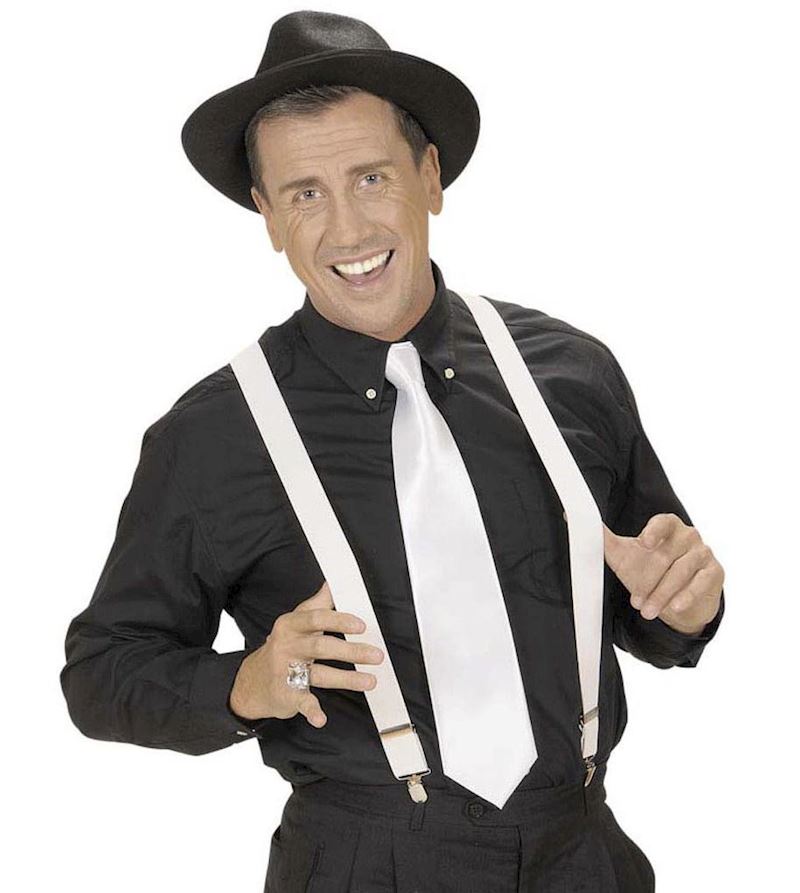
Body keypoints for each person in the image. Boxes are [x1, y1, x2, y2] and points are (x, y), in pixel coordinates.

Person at [60, 10, 725, 892]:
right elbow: (102, 671)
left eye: (370, 177)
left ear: (430, 176)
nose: (346, 229)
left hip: (581, 854)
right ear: (266, 214)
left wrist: (685, 606)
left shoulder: (572, 374)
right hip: (360, 863)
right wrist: (246, 683)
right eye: (304, 194)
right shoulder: (210, 438)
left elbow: (660, 609)